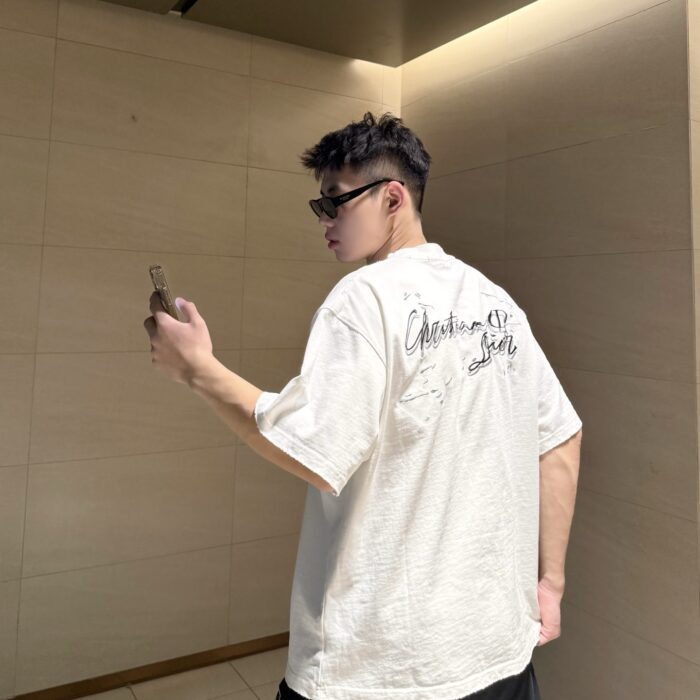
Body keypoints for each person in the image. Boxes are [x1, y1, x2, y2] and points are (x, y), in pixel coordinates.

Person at [147, 110, 582, 699]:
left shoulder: (363, 297)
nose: (324, 220)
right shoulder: (497, 303)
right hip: (499, 649)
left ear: (392, 197)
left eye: (335, 201)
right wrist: (549, 584)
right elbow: (560, 439)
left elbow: (311, 450)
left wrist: (198, 370)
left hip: (380, 668)